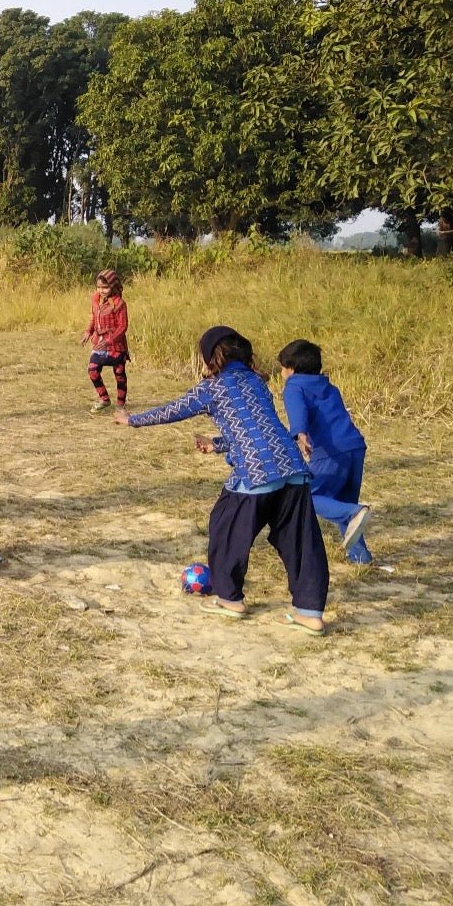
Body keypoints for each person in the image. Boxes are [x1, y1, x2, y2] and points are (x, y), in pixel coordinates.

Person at [114, 326, 330, 634]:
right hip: (293, 468)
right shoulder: (256, 381)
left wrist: (132, 419)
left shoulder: (212, 387)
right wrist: (217, 444)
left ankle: (230, 599)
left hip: (256, 472)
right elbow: (256, 426)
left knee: (224, 527)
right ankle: (309, 612)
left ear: (211, 357)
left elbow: (173, 410)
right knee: (301, 541)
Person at [279, 339, 372, 564]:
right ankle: (360, 557)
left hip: (330, 452)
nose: (281, 372)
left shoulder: (294, 386)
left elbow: (298, 410)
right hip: (355, 447)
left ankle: (354, 512)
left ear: (291, 369)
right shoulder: (329, 387)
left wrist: (300, 433)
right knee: (343, 502)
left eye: (282, 367)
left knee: (306, 496)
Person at [82, 269, 129, 413]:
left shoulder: (120, 303)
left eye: (105, 287)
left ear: (113, 286)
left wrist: (110, 340)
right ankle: (104, 399)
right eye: (99, 287)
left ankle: (120, 404)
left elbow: (123, 326)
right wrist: (88, 332)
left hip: (116, 346)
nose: (101, 290)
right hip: (99, 342)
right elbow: (93, 317)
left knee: (119, 374)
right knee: (92, 370)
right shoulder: (95, 299)